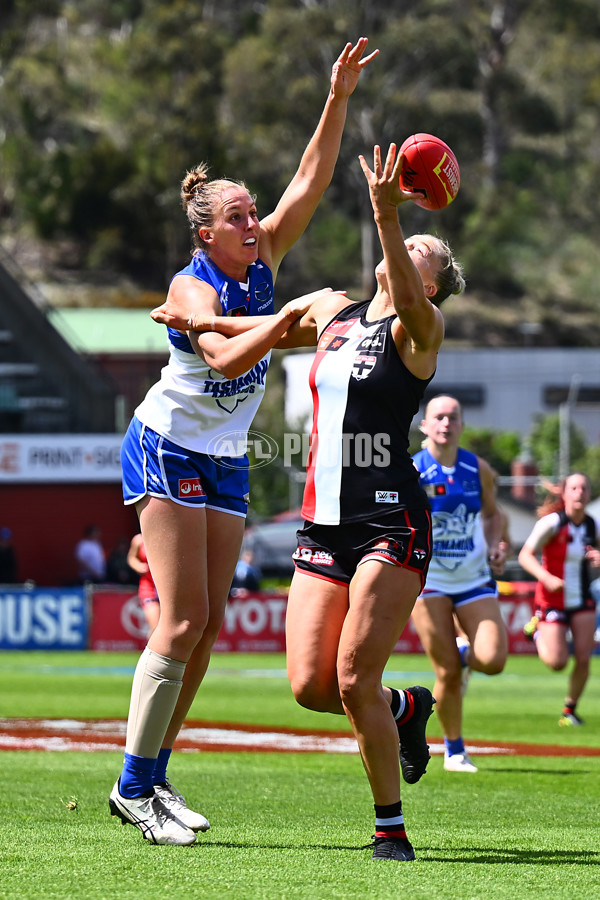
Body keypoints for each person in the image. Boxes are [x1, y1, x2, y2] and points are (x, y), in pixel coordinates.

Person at [154, 142, 465, 861]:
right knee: (310, 686)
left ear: (434, 284)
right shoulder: (332, 307)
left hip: (391, 520)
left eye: (425, 248)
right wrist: (195, 325)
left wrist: (389, 210)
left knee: (354, 676)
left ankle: (391, 829)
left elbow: (412, 301)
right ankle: (404, 708)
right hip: (323, 523)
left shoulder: (421, 330)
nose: (410, 244)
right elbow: (266, 331)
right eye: (407, 234)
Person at [110, 38, 378, 847]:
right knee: (183, 620)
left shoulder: (260, 260)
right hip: (167, 444)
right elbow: (223, 355)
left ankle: (153, 779)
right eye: (238, 215)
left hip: (224, 456)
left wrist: (337, 97)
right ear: (206, 233)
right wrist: (290, 318)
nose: (254, 221)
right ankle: (132, 786)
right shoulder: (192, 286)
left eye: (253, 210)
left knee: (208, 626)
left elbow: (312, 179)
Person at [410, 396, 509, 774]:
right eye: (439, 417)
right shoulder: (413, 469)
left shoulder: (477, 468)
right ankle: (454, 751)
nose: (446, 423)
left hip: (473, 578)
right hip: (429, 580)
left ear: (462, 424)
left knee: (494, 660)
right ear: (425, 425)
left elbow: (492, 514)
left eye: (453, 417)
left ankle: (465, 654)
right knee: (447, 673)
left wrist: (497, 545)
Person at [518, 472, 600, 726]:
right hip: (552, 599)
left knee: (584, 656)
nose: (579, 493)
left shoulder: (592, 525)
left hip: (582, 598)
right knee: (557, 662)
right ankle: (537, 631)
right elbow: (525, 555)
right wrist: (547, 577)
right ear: (563, 493)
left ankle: (569, 711)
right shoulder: (552, 523)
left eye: (584, 488)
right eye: (574, 488)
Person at [127, 533, 160, 634]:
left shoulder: (167, 537)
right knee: (156, 628)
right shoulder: (139, 539)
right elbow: (131, 558)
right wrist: (138, 566)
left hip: (168, 587)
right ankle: (152, 649)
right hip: (149, 587)